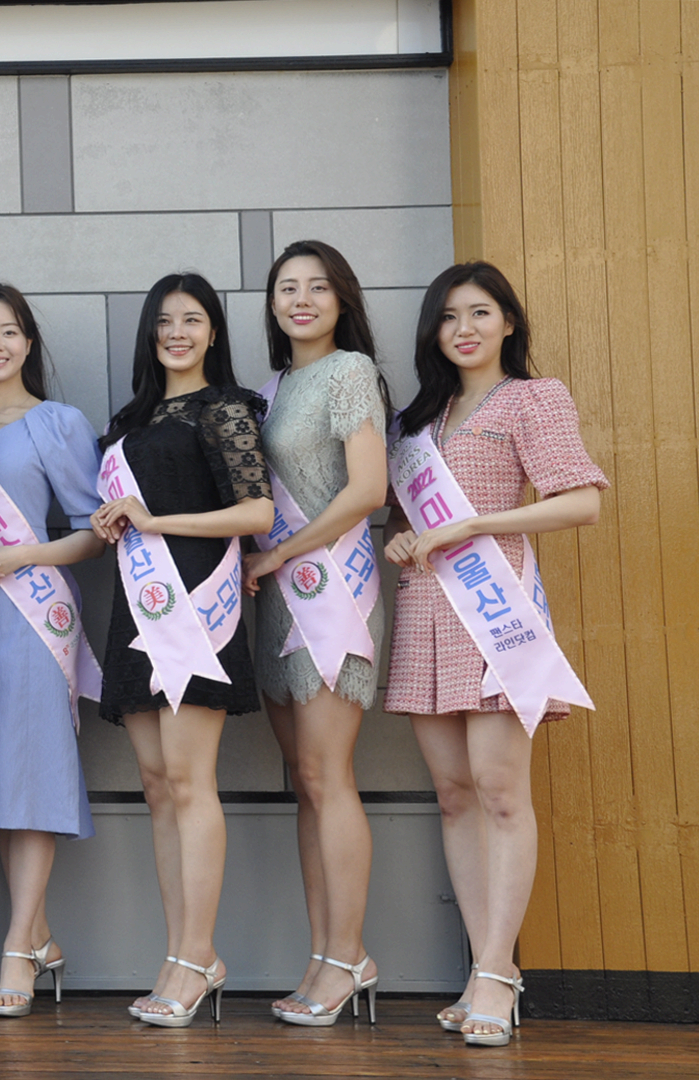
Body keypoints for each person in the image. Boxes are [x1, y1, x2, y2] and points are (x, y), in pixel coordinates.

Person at [383, 262, 605, 1048]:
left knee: (501, 791)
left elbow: (582, 501)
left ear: (508, 321)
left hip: (495, 609)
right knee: (454, 796)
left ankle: (496, 975)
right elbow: (405, 519)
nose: (464, 329)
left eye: (480, 312)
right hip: (426, 610)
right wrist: (406, 537)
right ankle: (484, 966)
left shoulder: (532, 399)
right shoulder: (417, 420)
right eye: (449, 317)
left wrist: (476, 525)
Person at [91, 274, 272, 1027]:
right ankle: (179, 953)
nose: (177, 332)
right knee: (158, 786)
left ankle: (198, 956)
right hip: (137, 606)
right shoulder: (130, 418)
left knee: (191, 783)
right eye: (164, 321)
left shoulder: (223, 408)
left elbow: (256, 512)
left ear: (213, 331)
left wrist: (155, 521)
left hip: (197, 605)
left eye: (192, 319)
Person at [0, 282, 102, 1018]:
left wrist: (24, 555)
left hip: (35, 619)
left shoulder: (57, 424)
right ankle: (39, 936)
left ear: (29, 342)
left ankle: (17, 951)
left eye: (7, 331)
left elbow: (94, 531)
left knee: (31, 776)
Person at [242, 240, 390, 1027]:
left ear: (342, 299)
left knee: (329, 775)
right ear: (271, 304)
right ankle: (323, 952)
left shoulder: (349, 372)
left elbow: (368, 489)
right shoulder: (271, 390)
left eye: (318, 287)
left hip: (332, 594)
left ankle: (350, 954)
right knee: (304, 779)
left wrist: (280, 553)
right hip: (275, 602)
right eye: (287, 288)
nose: (301, 299)